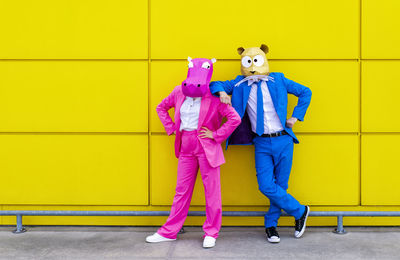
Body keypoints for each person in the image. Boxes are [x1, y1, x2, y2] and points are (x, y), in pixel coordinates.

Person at [210, 45, 312, 243]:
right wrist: (222, 92)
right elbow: (215, 84)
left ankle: (271, 225)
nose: (253, 65)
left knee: (281, 186)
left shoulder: (279, 79)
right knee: (266, 185)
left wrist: (295, 117)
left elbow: (305, 92)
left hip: (283, 138)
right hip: (262, 142)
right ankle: (300, 211)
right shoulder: (240, 83)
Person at [146, 57, 241, 248]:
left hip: (206, 147)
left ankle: (211, 232)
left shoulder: (214, 96)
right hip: (185, 147)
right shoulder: (179, 91)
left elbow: (234, 118)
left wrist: (216, 135)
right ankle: (169, 231)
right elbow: (161, 107)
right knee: (181, 191)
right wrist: (171, 127)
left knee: (212, 192)